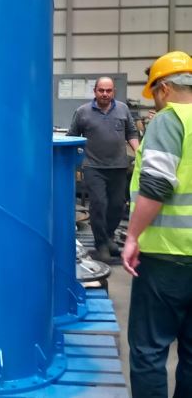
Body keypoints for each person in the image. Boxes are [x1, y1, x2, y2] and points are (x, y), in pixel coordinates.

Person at [122, 51, 192, 398]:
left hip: (167, 257)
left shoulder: (170, 119)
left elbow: (156, 184)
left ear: (164, 88)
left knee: (149, 350)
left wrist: (132, 236)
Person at [68, 77, 139, 261]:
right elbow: (72, 136)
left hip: (119, 166)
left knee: (117, 206)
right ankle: (101, 244)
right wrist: (75, 160)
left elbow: (131, 132)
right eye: (101, 90)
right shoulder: (83, 112)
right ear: (95, 91)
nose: (105, 94)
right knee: (99, 205)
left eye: (108, 90)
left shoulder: (123, 109)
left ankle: (108, 237)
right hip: (93, 167)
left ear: (113, 91)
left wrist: (138, 152)